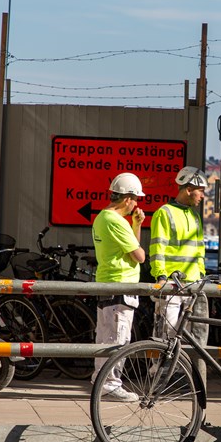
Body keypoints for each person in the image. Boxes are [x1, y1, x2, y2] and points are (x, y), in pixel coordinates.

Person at [91, 172, 147, 402]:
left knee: (105, 337)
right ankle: (111, 384)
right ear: (127, 199)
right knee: (118, 338)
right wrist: (134, 226)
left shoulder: (101, 218)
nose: (136, 205)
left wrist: (136, 225)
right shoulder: (115, 221)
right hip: (120, 287)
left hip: (107, 284)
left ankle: (100, 380)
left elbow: (130, 249)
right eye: (136, 199)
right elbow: (140, 255)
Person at [151, 166, 209, 380]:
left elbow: (199, 249)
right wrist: (161, 276)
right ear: (187, 189)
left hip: (193, 285)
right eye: (200, 190)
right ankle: (159, 377)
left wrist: (201, 274)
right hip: (172, 286)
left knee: (194, 336)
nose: (203, 196)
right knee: (166, 333)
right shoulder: (164, 213)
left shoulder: (194, 216)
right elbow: (158, 247)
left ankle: (183, 377)